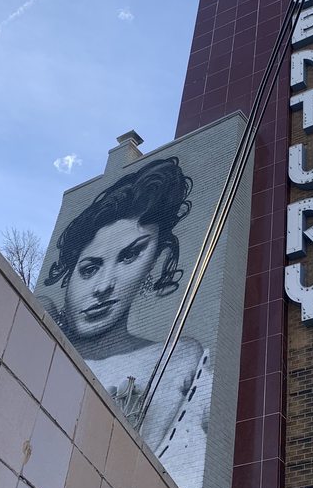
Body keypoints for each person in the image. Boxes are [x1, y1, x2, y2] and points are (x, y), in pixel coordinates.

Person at [42, 157, 209, 463]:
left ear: (156, 261)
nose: (105, 285)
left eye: (130, 256)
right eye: (90, 269)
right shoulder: (35, 339)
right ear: (67, 277)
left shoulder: (177, 360)